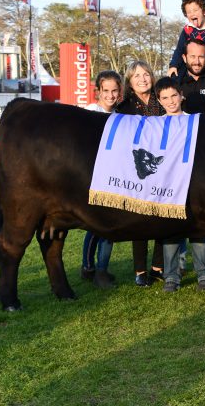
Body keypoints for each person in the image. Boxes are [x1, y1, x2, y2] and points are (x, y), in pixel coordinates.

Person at [152, 77, 205, 293]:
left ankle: (204, 276)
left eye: (173, 96)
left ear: (181, 95)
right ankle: (171, 277)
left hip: (193, 187)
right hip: (168, 189)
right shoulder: (156, 125)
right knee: (170, 233)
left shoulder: (195, 121)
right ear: (159, 101)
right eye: (165, 98)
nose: (170, 101)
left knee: (198, 233)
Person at [116, 61, 165, 287]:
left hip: (162, 168)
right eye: (137, 76)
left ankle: (158, 266)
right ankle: (140, 270)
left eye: (146, 74)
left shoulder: (161, 102)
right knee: (140, 220)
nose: (143, 79)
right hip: (136, 170)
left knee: (162, 217)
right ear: (130, 80)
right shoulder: (124, 106)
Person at [80, 71, 122, 289]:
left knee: (106, 225)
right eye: (106, 90)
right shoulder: (88, 113)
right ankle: (91, 267)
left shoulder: (121, 115)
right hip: (92, 176)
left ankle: (99, 268)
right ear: (98, 91)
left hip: (112, 177)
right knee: (97, 226)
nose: (110, 95)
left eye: (114, 90)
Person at [167, 0, 205, 81]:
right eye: (189, 12)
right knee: (175, 75)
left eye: (195, 10)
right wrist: (173, 65)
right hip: (191, 63)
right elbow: (179, 49)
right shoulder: (187, 29)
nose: (192, 13)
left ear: (204, 12)